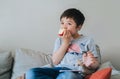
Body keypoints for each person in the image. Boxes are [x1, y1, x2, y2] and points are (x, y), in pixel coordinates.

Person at [26, 8, 100, 79]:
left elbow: (96, 64)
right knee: (31, 72)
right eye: (62, 23)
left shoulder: (88, 40)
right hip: (57, 69)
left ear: (79, 27)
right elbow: (55, 61)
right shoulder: (59, 40)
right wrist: (65, 43)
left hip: (74, 71)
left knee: (67, 76)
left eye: (69, 23)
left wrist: (90, 63)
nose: (64, 26)